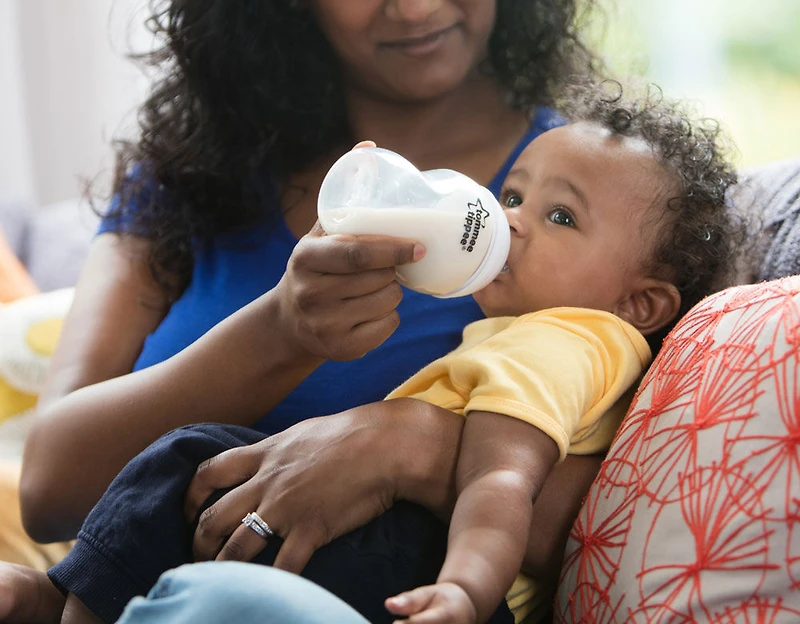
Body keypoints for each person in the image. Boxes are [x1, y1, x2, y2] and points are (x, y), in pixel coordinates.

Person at [0, 0, 601, 621]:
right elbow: (49, 488)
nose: (414, 0)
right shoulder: (189, 177)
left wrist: (409, 447)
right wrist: (282, 332)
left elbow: (627, 514)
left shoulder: (580, 207)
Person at [47, 87, 743, 624]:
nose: (507, 219)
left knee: (189, 459)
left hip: (431, 568)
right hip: (420, 558)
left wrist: (464, 591)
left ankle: (63, 606)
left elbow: (501, 478)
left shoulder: (562, 342)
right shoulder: (534, 336)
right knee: (206, 471)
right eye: (512, 194)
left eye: (559, 217)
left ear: (642, 304)